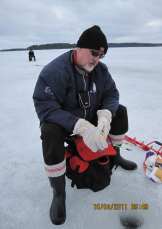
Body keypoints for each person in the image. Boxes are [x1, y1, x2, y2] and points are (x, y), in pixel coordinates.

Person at [33, 25, 137, 225]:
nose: (97, 59)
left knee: (120, 111)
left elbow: (111, 94)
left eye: (101, 55)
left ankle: (115, 154)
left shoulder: (100, 70)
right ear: (79, 48)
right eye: (94, 53)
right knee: (49, 131)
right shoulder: (55, 71)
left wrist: (105, 115)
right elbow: (45, 106)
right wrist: (79, 125)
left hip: (91, 118)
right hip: (66, 123)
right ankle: (58, 192)